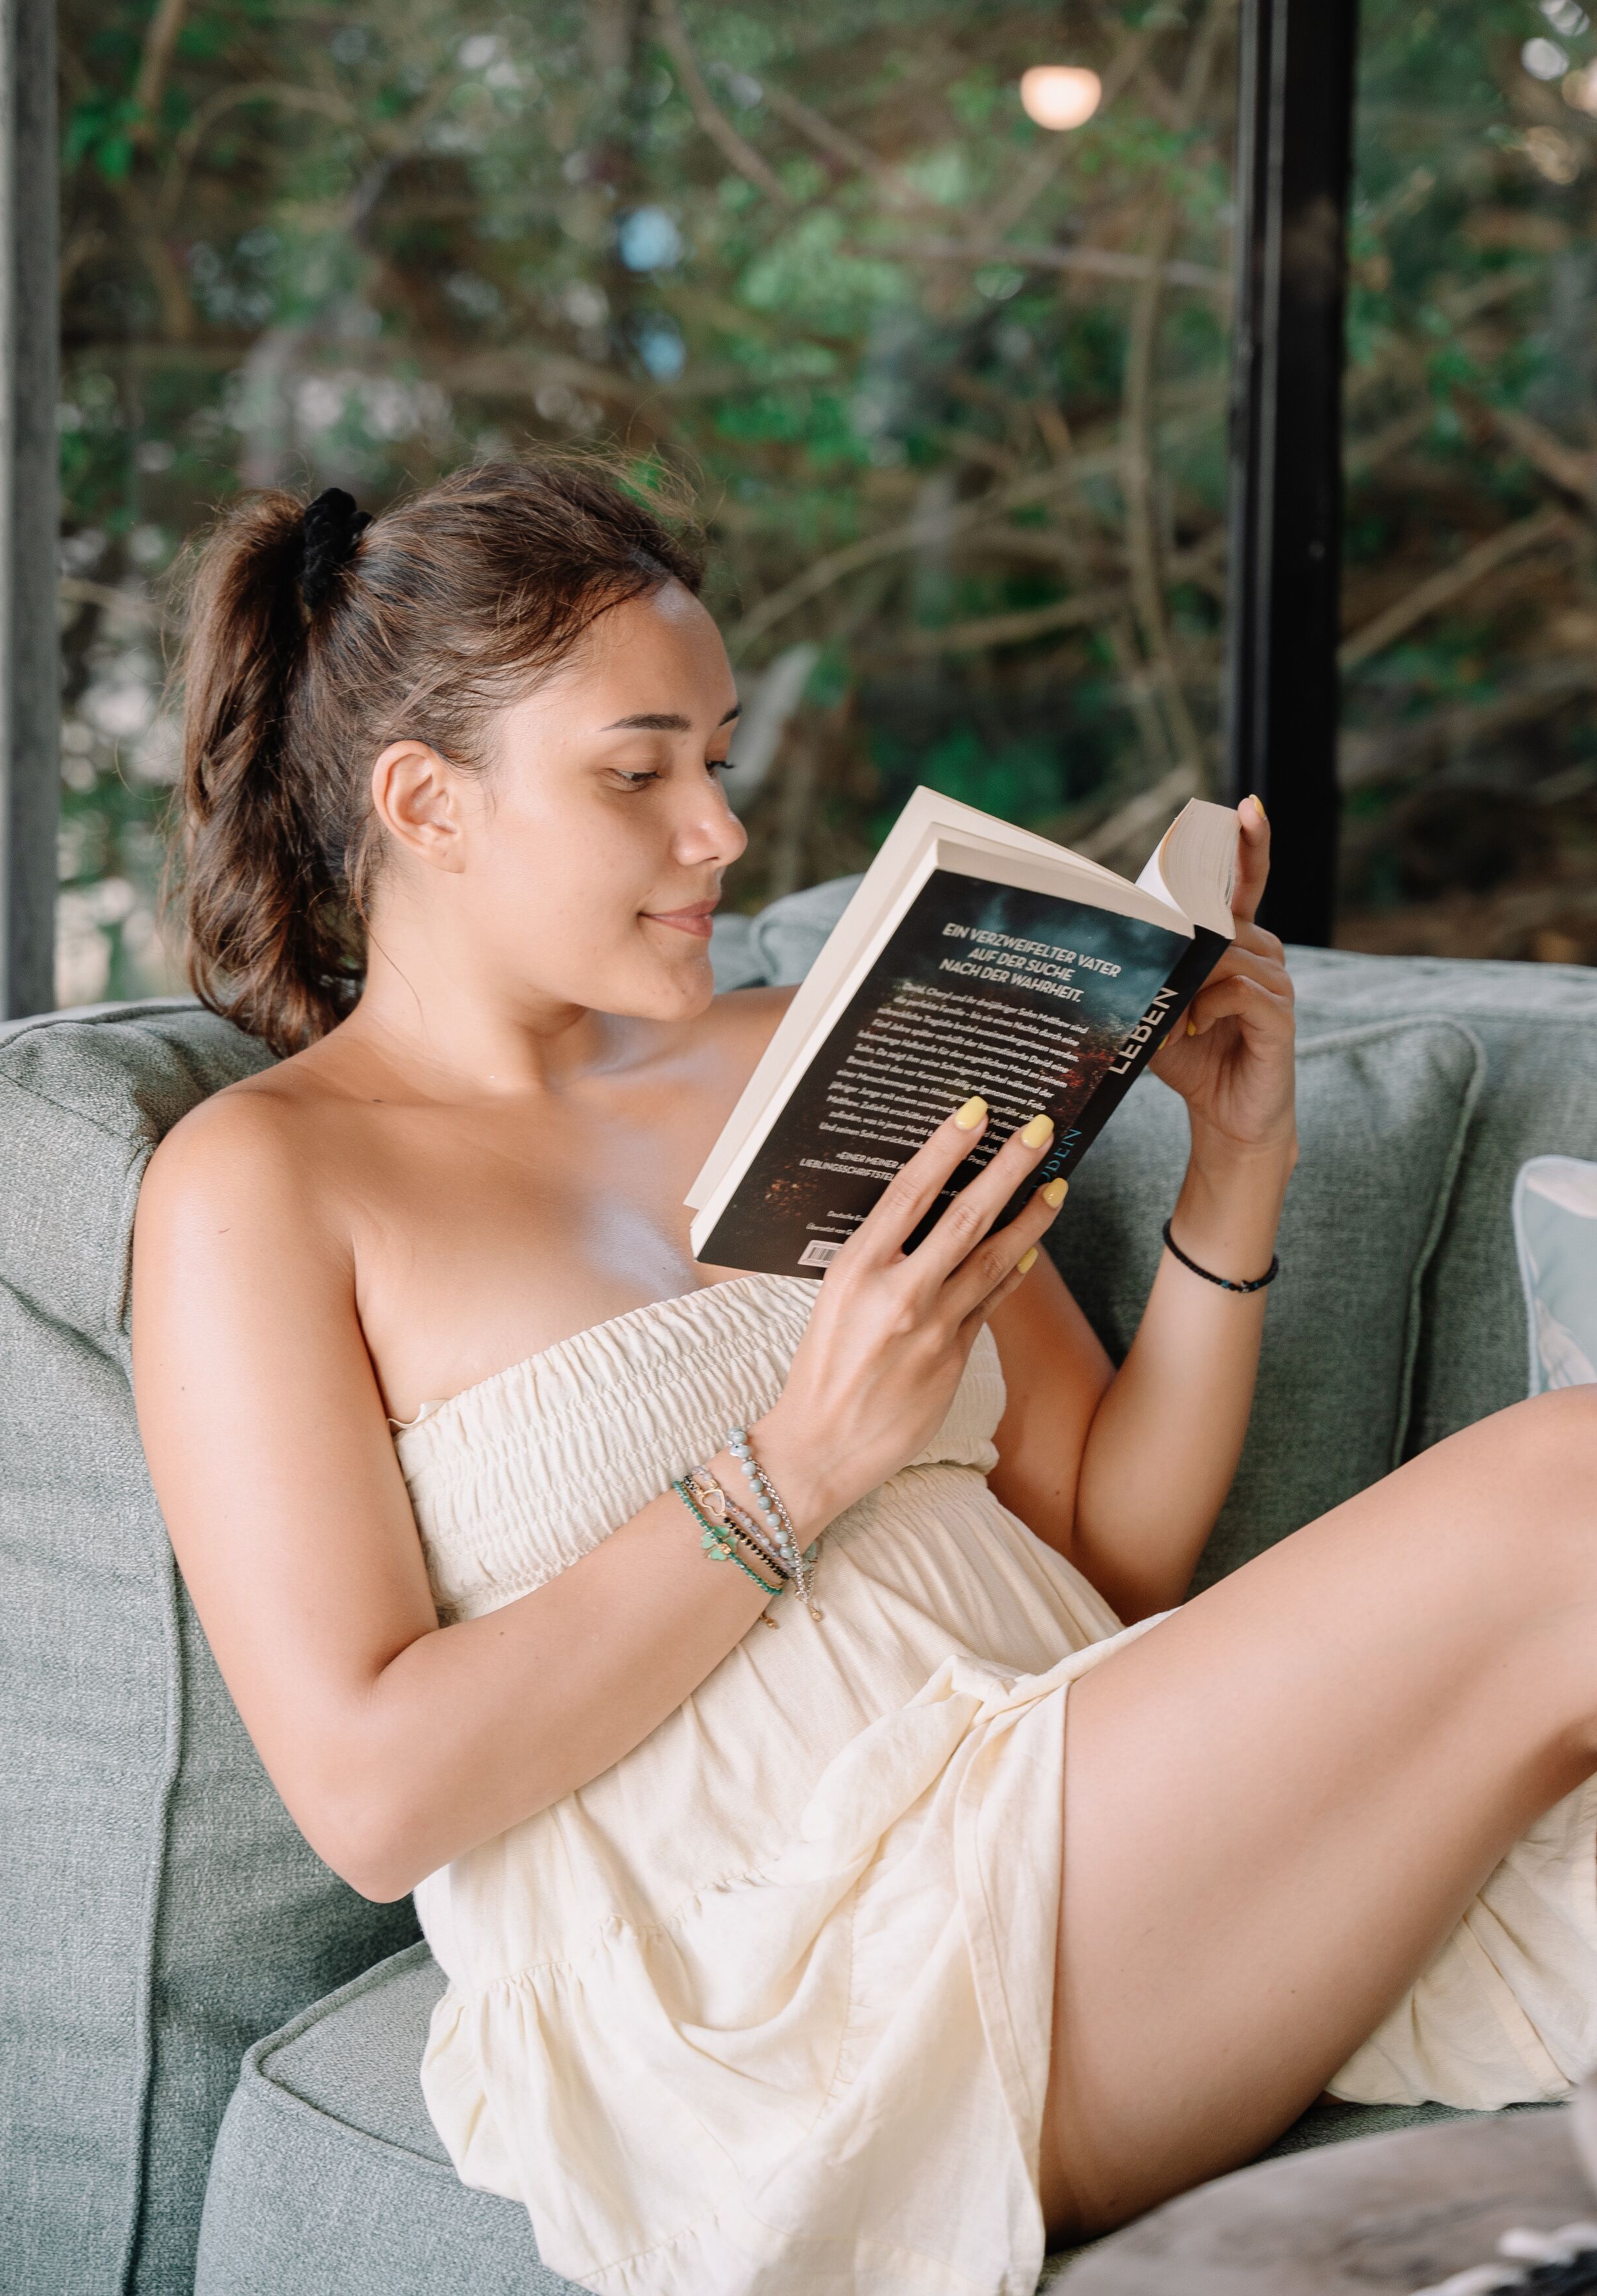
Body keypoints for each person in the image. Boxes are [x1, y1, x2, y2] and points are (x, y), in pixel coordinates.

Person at [134, 457, 1597, 2296]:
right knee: (1573, 1488)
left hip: (1091, 1821)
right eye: (638, 774)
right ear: (428, 804)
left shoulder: (798, 1050)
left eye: (718, 759)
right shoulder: (264, 1189)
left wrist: (1238, 1166)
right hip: (799, 1984)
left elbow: (1107, 1548)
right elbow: (371, 1799)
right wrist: (795, 1465)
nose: (719, 831)